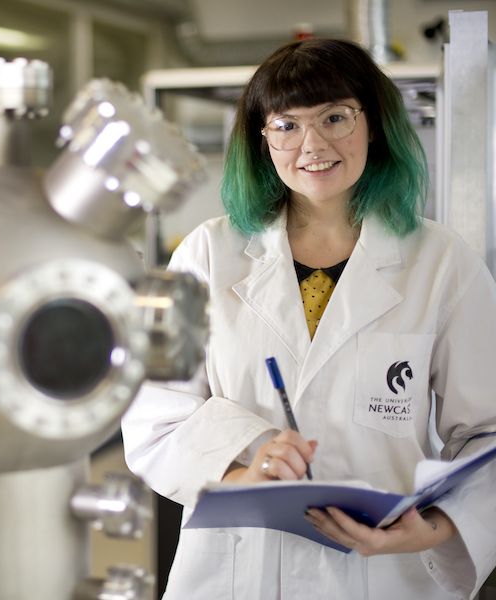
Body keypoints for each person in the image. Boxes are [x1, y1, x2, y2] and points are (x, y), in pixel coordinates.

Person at [121, 38, 496, 600]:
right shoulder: (205, 253)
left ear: (373, 124)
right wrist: (243, 463)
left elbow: (487, 434)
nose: (312, 145)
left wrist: (435, 528)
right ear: (261, 139)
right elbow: (153, 414)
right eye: (286, 126)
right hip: (233, 572)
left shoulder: (443, 263)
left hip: (382, 575)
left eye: (335, 117)